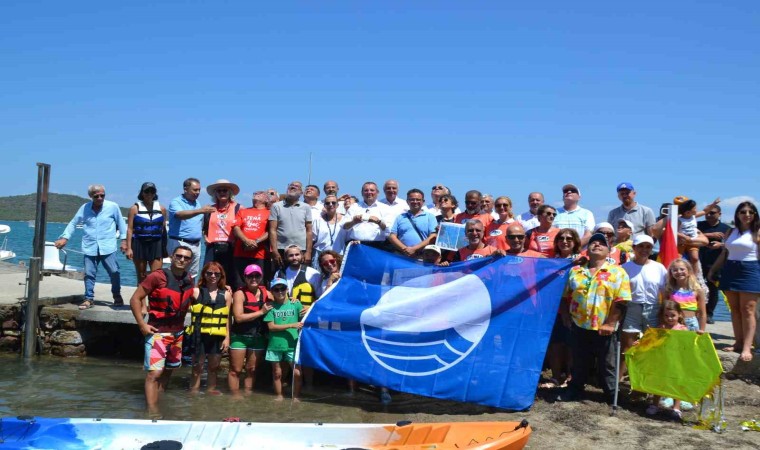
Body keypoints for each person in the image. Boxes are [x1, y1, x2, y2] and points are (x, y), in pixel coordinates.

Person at [557, 232, 631, 403]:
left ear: (608, 250)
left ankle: (612, 394)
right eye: (593, 243)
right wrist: (566, 316)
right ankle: (575, 389)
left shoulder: (618, 272)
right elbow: (564, 295)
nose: (597, 245)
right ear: (587, 249)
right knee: (578, 361)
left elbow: (622, 300)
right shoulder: (575, 271)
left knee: (607, 364)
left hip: (604, 327)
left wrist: (611, 323)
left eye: (601, 243)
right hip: (579, 324)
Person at [129, 245, 195, 415]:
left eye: (186, 258)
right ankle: (152, 412)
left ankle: (160, 401)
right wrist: (142, 325)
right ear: (172, 257)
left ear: (190, 261)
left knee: (168, 371)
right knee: (155, 373)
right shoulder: (157, 277)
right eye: (179, 256)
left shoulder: (188, 279)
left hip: (178, 334)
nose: (182, 260)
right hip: (157, 332)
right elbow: (135, 299)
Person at [56, 184, 128, 309]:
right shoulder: (84, 208)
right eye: (96, 196)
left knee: (114, 272)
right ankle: (89, 298)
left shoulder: (113, 207)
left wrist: (124, 241)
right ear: (90, 196)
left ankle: (117, 295)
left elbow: (121, 224)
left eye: (102, 195)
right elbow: (73, 223)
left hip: (108, 247)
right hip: (90, 247)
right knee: (89, 274)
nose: (100, 198)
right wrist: (64, 237)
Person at [708, 201, 760, 362]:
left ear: (755, 215)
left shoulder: (757, 232)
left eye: (750, 212)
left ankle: (747, 346)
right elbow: (725, 253)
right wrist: (713, 270)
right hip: (730, 269)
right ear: (737, 214)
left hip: (750, 270)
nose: (747, 215)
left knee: (748, 310)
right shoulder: (731, 231)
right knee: (735, 309)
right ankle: (738, 342)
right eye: (743, 212)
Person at [620, 234, 667, 378]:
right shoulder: (624, 268)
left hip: (653, 307)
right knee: (627, 346)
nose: (644, 250)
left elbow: (665, 292)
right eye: (640, 246)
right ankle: (620, 379)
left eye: (648, 247)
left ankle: (647, 379)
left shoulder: (659, 267)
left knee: (651, 346)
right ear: (634, 248)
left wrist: (663, 314)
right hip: (631, 308)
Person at [228, 264, 273, 397]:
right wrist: (261, 312)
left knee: (251, 369)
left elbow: (282, 300)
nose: (254, 278)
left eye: (257, 275)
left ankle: (247, 394)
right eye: (250, 276)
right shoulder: (239, 294)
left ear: (261, 277)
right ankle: (234, 396)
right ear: (245, 277)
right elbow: (238, 317)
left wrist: (292, 299)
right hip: (240, 336)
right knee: (235, 369)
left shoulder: (267, 293)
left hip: (257, 337)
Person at [187, 261, 232, 394]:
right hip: (198, 335)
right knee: (197, 367)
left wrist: (227, 338)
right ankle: (193, 393)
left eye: (217, 274)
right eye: (209, 273)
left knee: (213, 368)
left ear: (221, 276)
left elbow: (227, 319)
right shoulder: (195, 292)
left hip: (217, 336)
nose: (213, 276)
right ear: (204, 274)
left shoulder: (226, 295)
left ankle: (210, 393)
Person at [645, 300, 689, 420]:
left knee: (676, 383)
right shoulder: (661, 328)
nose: (669, 318)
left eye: (672, 315)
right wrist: (641, 342)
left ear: (679, 314)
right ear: (662, 315)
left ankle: (676, 407)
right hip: (662, 360)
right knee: (659, 382)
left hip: (677, 361)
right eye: (666, 315)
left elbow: (688, 345)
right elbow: (653, 343)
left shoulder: (683, 329)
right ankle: (655, 404)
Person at [264, 278, 304, 401]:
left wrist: (309, 308)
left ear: (287, 289)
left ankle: (296, 396)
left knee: (297, 373)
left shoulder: (295, 303)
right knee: (277, 373)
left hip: (293, 344)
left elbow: (307, 314)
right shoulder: (270, 307)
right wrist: (291, 325)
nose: (280, 291)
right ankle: (279, 396)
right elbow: (271, 327)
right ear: (272, 291)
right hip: (275, 344)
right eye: (276, 289)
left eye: (283, 288)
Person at [168, 178, 214, 278]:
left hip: (196, 245)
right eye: (195, 190)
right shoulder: (176, 202)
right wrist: (200, 210)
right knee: (176, 271)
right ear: (185, 189)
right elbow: (180, 215)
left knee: (192, 274)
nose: (197, 192)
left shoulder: (197, 203)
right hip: (179, 242)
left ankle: (189, 292)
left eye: (199, 190)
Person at [126, 182, 167, 289]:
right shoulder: (134, 209)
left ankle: (154, 304)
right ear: (142, 193)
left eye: (152, 191)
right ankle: (142, 305)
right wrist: (129, 248)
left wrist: (165, 249)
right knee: (142, 277)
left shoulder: (162, 209)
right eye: (146, 191)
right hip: (139, 244)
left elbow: (163, 230)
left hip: (156, 244)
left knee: (156, 276)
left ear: (155, 193)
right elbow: (130, 230)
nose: (149, 193)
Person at [203, 179, 241, 288]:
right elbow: (204, 226)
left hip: (231, 247)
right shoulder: (210, 209)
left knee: (230, 277)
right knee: (209, 275)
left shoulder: (238, 208)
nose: (222, 193)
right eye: (219, 191)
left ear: (230, 193)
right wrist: (205, 237)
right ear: (215, 193)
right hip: (212, 247)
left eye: (225, 190)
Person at [697, 204, 730, 324]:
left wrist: (720, 245)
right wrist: (709, 235)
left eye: (712, 213)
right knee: (698, 288)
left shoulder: (726, 228)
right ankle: (698, 313)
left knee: (713, 289)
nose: (709, 215)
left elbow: (732, 245)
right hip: (699, 261)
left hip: (716, 263)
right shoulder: (699, 225)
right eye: (707, 213)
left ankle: (709, 313)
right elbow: (690, 235)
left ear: (719, 214)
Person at [269, 181, 313, 269]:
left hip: (301, 249)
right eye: (291, 185)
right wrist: (274, 250)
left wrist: (308, 252)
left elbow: (309, 231)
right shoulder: (276, 206)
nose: (293, 186)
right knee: (281, 276)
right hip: (281, 248)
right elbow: (272, 230)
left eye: (297, 186)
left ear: (301, 192)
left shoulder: (306, 207)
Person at [232, 191, 271, 288]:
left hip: (259, 254)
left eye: (260, 193)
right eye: (255, 193)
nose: (256, 193)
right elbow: (236, 228)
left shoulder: (269, 213)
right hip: (240, 252)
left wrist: (256, 242)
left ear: (266, 199)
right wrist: (246, 241)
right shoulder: (243, 211)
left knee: (258, 283)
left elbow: (270, 231)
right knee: (240, 283)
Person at [388, 189, 438, 258]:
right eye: (412, 199)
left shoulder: (430, 217)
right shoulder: (400, 217)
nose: (415, 202)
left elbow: (433, 236)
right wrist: (405, 249)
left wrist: (414, 249)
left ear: (423, 201)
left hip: (422, 257)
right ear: (407, 201)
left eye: (418, 199)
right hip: (402, 256)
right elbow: (392, 236)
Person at [344, 181, 394, 251]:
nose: (369, 192)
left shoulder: (385, 208)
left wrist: (378, 222)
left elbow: (388, 229)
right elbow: (344, 226)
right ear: (362, 193)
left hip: (377, 246)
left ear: (377, 193)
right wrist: (353, 222)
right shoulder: (354, 207)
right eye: (366, 190)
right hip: (357, 245)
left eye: (372, 190)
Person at [274, 245, 321, 313]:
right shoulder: (279, 273)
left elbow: (320, 297)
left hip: (306, 313)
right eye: (291, 255)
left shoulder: (313, 273)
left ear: (302, 255)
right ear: (285, 257)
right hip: (286, 313)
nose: (294, 258)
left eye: (297, 255)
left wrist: (311, 307)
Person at [664, 259, 707, 333]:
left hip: (691, 323)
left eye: (682, 269)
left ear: (689, 271)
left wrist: (702, 329)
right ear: (671, 273)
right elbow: (664, 310)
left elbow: (702, 313)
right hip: (674, 323)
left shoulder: (697, 290)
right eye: (675, 270)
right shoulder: (669, 290)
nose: (679, 272)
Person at [311, 194, 347, 268]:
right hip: (320, 254)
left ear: (338, 205)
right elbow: (312, 239)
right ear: (324, 205)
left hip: (339, 254)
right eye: (327, 203)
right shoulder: (318, 220)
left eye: (333, 203)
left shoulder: (345, 219)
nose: (330, 205)